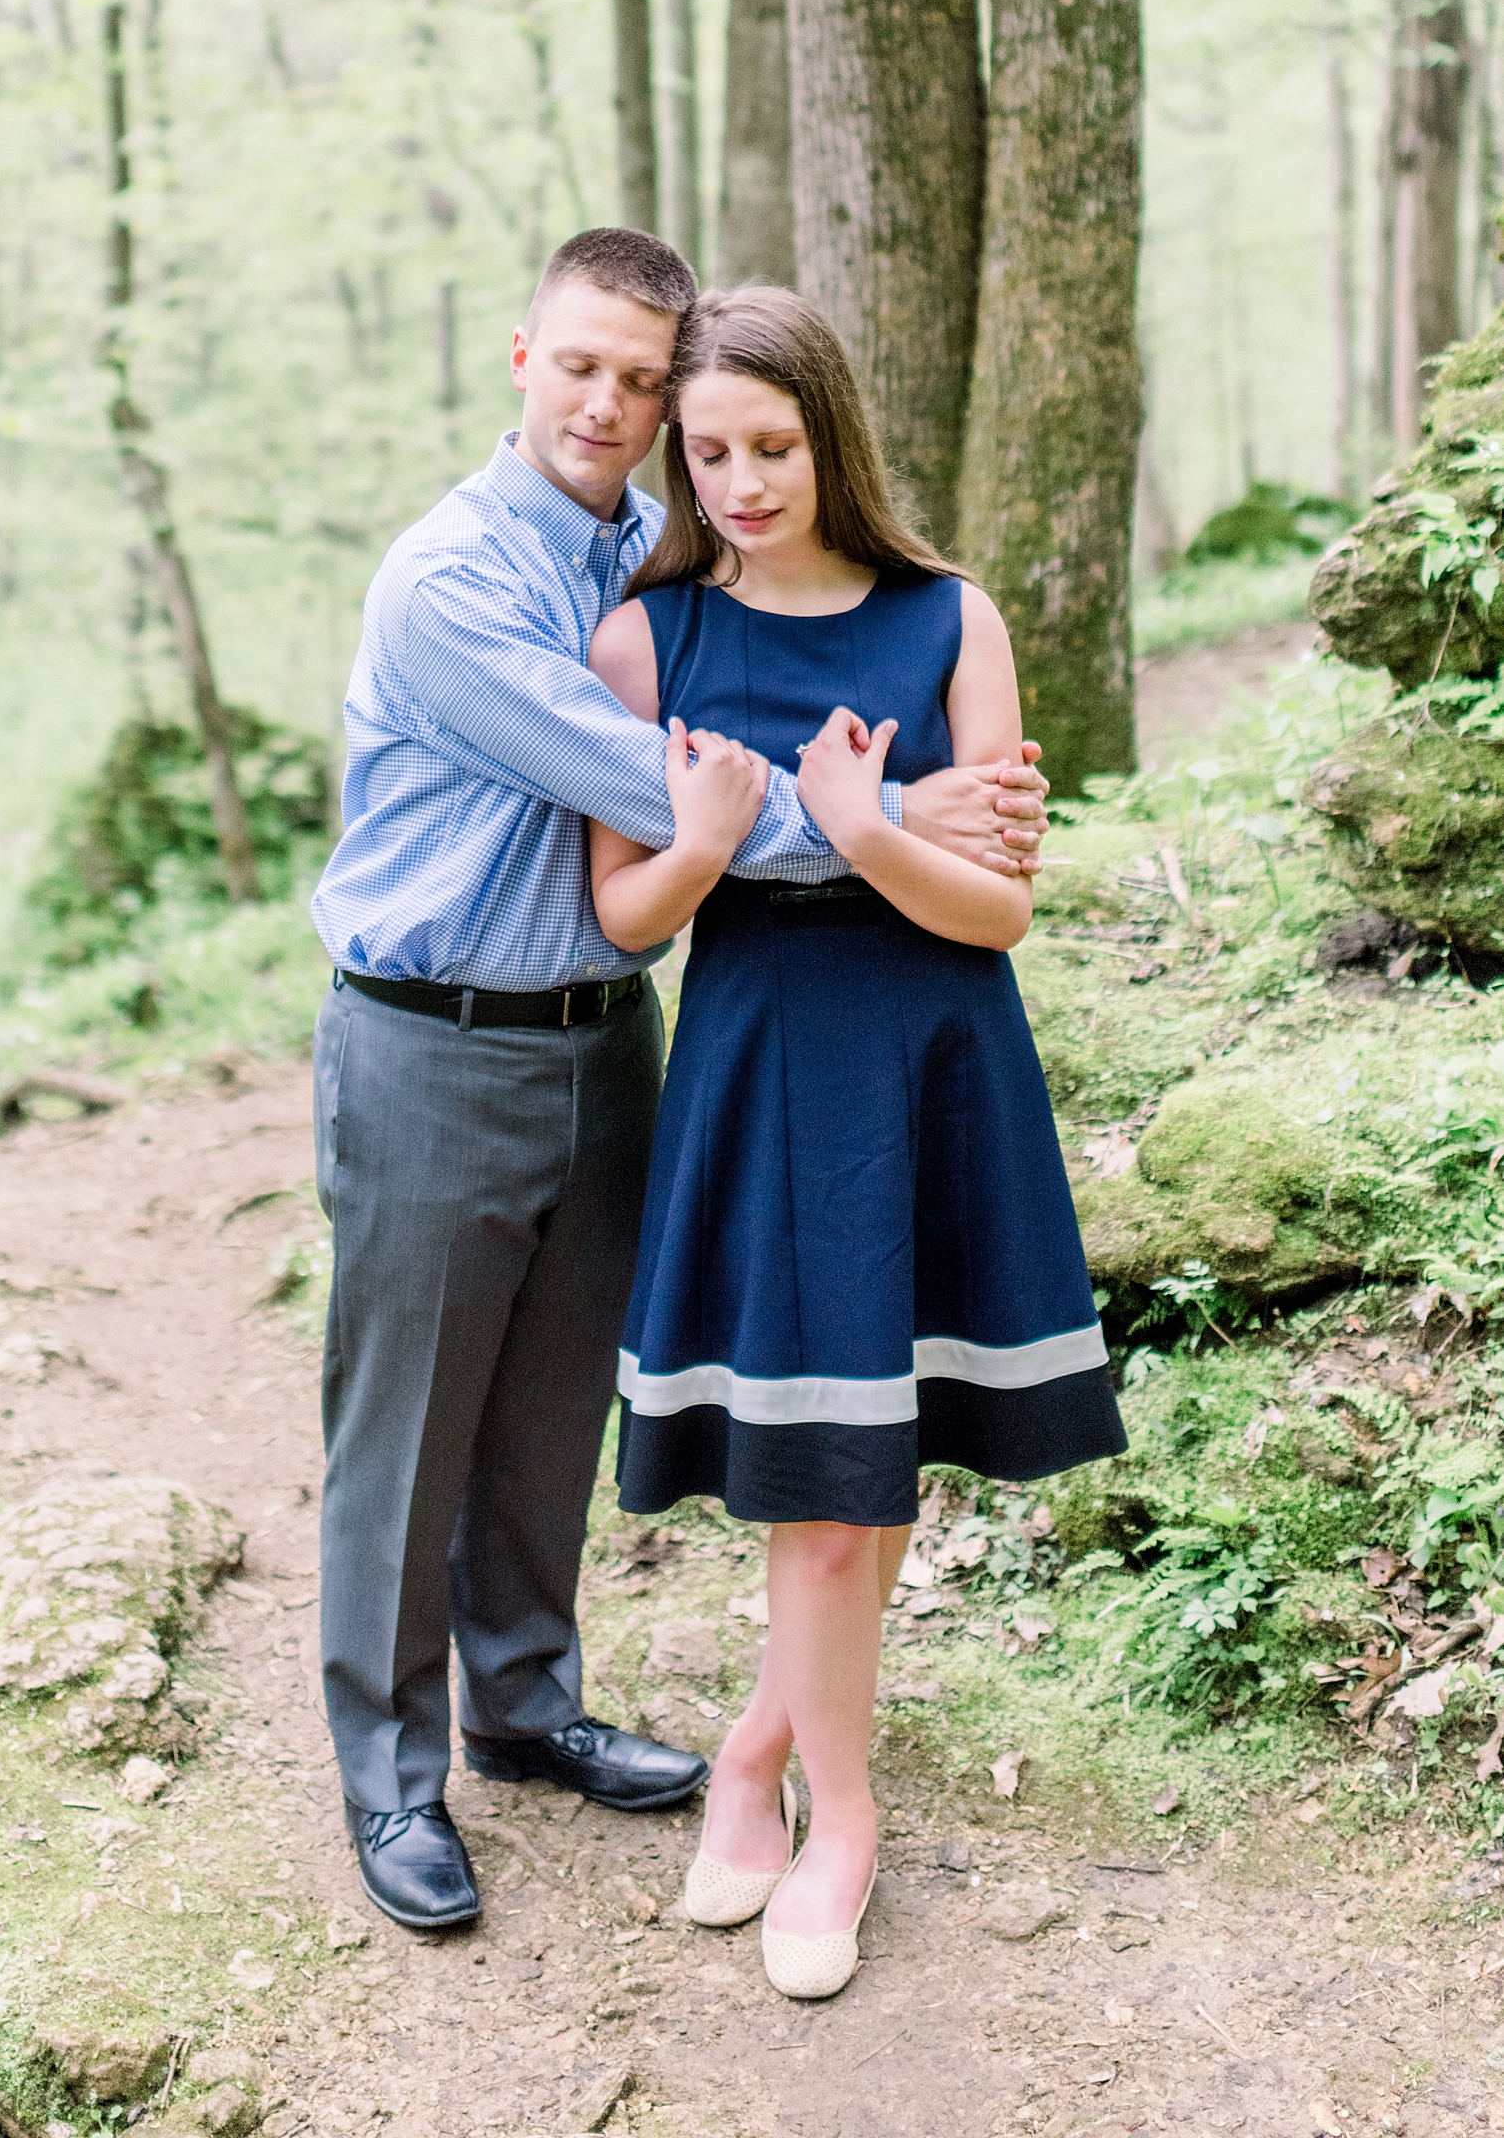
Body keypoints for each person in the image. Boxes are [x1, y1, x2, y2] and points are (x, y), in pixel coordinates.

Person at [309, 228, 1051, 1934]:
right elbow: (643, 782)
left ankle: (524, 1703)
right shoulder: (453, 585)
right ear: (522, 358)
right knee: (405, 1423)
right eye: (584, 367)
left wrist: (933, 822)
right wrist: (895, 822)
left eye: (642, 384)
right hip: (431, 1034)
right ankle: (389, 1778)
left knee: (551, 1400)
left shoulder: (644, 545)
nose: (613, 405)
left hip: (607, 1034)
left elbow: (757, 706)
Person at [586, 285, 1126, 2000]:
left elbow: (1001, 908)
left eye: (774, 447)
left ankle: (780, 1773)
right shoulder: (645, 640)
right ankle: (836, 1808)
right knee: (818, 1501)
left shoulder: (945, 616)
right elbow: (625, 915)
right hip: (761, 1069)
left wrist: (857, 827)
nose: (741, 483)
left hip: (934, 1055)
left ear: (832, 435)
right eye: (711, 453)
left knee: (865, 1479)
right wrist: (727, 835)